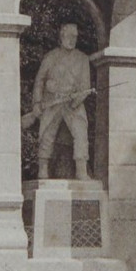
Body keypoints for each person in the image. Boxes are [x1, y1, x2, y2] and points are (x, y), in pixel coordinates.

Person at [32, 23, 92, 180]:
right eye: (69, 36)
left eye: (75, 37)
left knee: (80, 132)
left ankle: (81, 170)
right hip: (52, 101)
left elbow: (86, 85)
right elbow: (40, 81)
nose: (72, 40)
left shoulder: (82, 59)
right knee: (46, 133)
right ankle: (43, 168)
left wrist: (75, 101)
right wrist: (37, 102)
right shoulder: (51, 57)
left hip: (73, 103)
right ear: (62, 36)